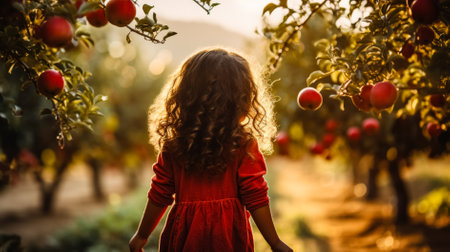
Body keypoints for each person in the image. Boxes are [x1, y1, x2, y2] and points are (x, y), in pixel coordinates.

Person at [129, 48, 293, 252]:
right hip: (228, 238)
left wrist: (141, 235)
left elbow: (160, 193)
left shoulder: (175, 144)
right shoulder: (242, 144)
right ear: (241, 100)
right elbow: (255, 196)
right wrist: (275, 242)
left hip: (184, 237)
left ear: (186, 95)